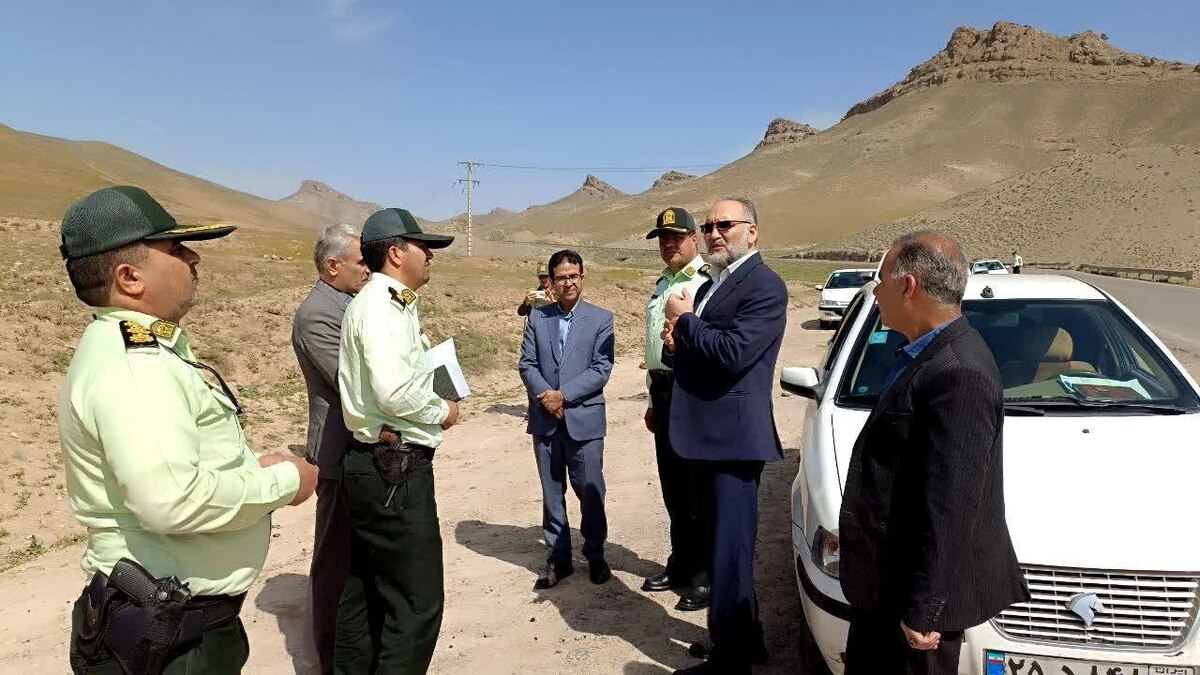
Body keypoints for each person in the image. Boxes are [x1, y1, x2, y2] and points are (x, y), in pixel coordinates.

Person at [58, 186, 318, 674]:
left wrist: (248, 468)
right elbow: (171, 500)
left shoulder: (138, 351)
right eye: (175, 250)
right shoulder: (136, 367)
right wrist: (286, 482)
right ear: (130, 277)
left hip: (178, 624)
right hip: (168, 637)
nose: (193, 257)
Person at [838, 231, 1029, 675]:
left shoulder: (958, 370)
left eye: (880, 279)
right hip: (886, 588)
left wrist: (925, 608)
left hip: (912, 606)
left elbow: (952, 505)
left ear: (908, 286)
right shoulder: (921, 353)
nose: (875, 290)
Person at [664, 197, 788, 675]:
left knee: (730, 553)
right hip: (706, 439)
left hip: (732, 442)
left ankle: (730, 661)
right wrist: (681, 341)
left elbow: (735, 353)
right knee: (723, 548)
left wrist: (688, 321)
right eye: (710, 226)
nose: (715, 233)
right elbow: (702, 351)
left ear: (752, 232)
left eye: (726, 225)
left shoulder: (764, 285)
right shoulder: (720, 282)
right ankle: (743, 640)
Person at [336, 207, 458, 674]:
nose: (430, 256)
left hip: (376, 463)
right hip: (394, 469)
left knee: (366, 592)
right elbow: (395, 391)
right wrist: (442, 411)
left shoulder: (385, 303)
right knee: (416, 603)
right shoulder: (383, 307)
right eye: (422, 247)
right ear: (395, 252)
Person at [291, 223, 370, 674]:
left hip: (356, 443)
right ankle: (328, 656)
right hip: (339, 448)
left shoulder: (350, 304)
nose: (367, 269)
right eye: (360, 262)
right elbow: (352, 383)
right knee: (335, 557)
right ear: (332, 265)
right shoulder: (318, 313)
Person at [518, 249, 615, 589]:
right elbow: (527, 364)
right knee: (551, 490)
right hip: (546, 421)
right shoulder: (537, 318)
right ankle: (559, 558)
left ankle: (596, 554)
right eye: (561, 278)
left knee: (590, 491)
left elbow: (601, 368)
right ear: (551, 283)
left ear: (582, 277)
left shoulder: (601, 318)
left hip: (584, 420)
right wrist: (547, 397)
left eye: (574, 276)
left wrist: (564, 395)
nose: (568, 282)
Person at [641, 207, 713, 612]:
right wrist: (653, 400)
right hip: (664, 391)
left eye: (675, 238)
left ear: (693, 240)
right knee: (673, 489)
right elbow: (652, 354)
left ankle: (703, 576)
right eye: (662, 240)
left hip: (691, 391)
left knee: (696, 488)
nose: (668, 245)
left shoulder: (705, 283)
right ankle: (680, 564)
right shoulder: (662, 283)